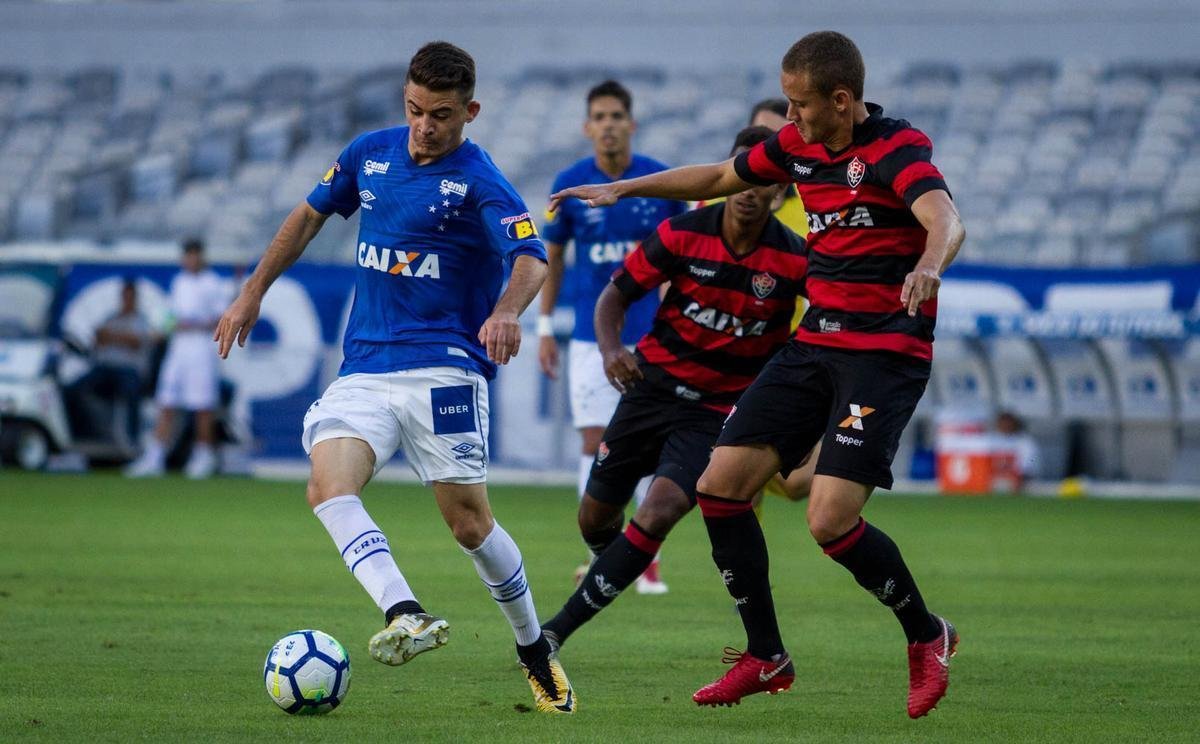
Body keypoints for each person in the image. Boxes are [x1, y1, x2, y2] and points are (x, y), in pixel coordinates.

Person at [549, 31, 966, 718]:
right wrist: (624, 188)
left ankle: (927, 636)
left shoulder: (897, 147)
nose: (789, 117)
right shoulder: (797, 147)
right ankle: (766, 654)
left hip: (882, 355)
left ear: (841, 100)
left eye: (801, 104)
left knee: (828, 521)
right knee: (718, 486)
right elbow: (718, 177)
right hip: (813, 347)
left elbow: (944, 219)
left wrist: (928, 264)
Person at [213, 42, 574, 714]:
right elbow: (308, 215)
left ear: (470, 112)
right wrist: (252, 291)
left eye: (440, 115)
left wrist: (505, 312)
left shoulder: (480, 181)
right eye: (413, 110)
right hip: (367, 367)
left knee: (469, 526)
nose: (423, 127)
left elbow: (530, 257)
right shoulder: (369, 153)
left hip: (445, 369)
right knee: (327, 487)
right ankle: (405, 611)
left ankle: (533, 647)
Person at [540, 125, 806, 652]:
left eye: (765, 182)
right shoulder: (681, 233)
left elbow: (828, 320)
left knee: (660, 509)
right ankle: (616, 561)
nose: (750, 190)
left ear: (780, 192)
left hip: (715, 412)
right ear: (727, 177)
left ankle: (553, 634)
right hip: (651, 389)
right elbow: (614, 296)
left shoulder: (795, 259)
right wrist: (611, 350)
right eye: (743, 176)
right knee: (594, 519)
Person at [538, 80, 686, 594]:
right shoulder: (570, 184)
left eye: (616, 116)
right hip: (588, 338)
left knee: (649, 447)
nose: (608, 125)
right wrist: (544, 327)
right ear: (587, 127)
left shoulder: (658, 181)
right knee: (594, 442)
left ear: (631, 123)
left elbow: (681, 258)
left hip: (652, 335)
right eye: (599, 117)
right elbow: (553, 258)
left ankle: (648, 560)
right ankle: (601, 554)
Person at [126, 239, 229, 479]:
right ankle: (155, 457)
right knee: (166, 401)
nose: (191, 260)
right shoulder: (179, 282)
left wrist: (190, 324)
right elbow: (170, 317)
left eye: (194, 255)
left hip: (201, 350)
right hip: (178, 350)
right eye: (187, 255)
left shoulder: (213, 283)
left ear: (201, 256)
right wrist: (163, 329)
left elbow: (220, 319)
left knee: (202, 405)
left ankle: (203, 456)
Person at [64, 277, 157, 446]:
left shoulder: (141, 320)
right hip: (104, 367)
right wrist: (119, 338)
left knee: (132, 391)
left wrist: (112, 337)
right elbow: (98, 338)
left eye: (130, 297)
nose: (127, 300)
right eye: (125, 296)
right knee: (72, 389)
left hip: (129, 369)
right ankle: (79, 433)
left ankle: (132, 439)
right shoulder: (111, 317)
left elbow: (135, 342)